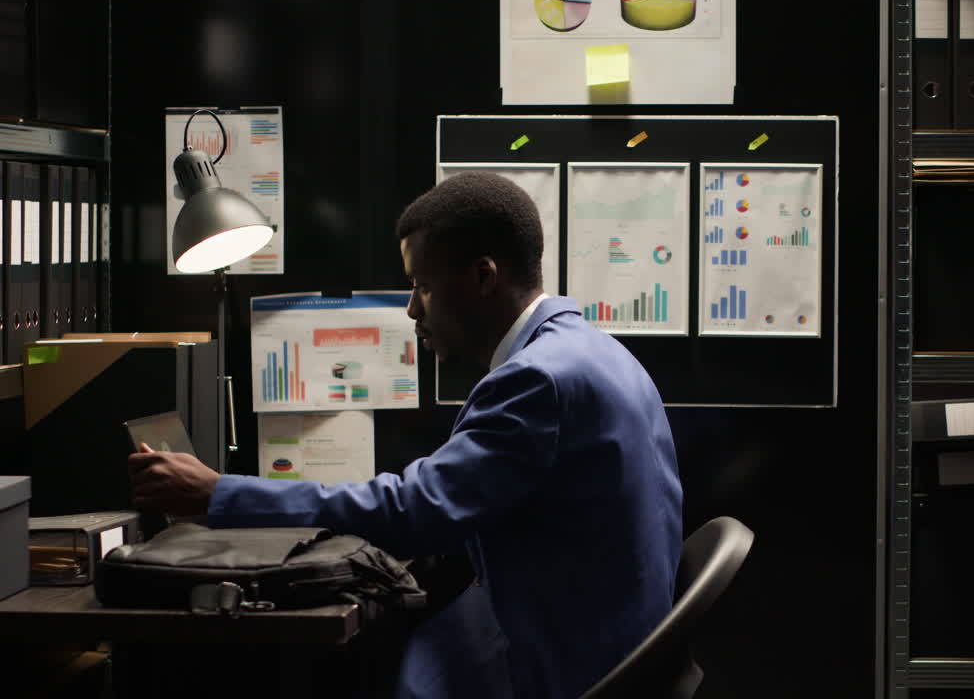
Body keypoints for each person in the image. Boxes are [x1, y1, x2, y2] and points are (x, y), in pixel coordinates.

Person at [127, 171, 685, 699]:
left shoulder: (537, 379)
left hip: (566, 662)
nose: (413, 307)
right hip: (603, 636)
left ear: (483, 277)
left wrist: (219, 493)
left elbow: (416, 510)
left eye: (421, 285)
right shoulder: (589, 348)